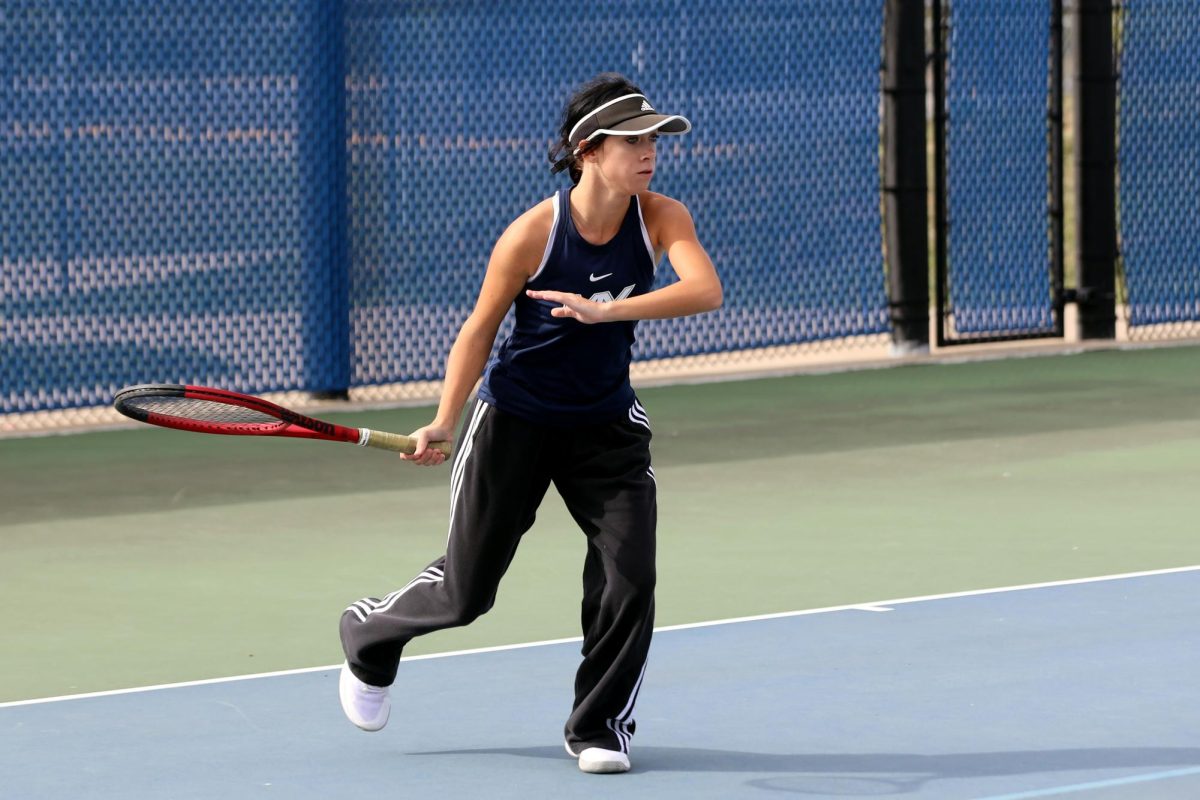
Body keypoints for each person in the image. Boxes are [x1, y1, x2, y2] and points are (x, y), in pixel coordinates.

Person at [338, 72, 722, 775]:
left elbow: (704, 289)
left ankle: (600, 725)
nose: (649, 153)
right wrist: (444, 419)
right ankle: (368, 632)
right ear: (588, 151)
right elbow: (478, 332)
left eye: (653, 141)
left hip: (605, 425)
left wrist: (608, 311)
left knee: (628, 574)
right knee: (466, 592)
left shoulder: (662, 216)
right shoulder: (532, 235)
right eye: (633, 141)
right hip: (513, 421)